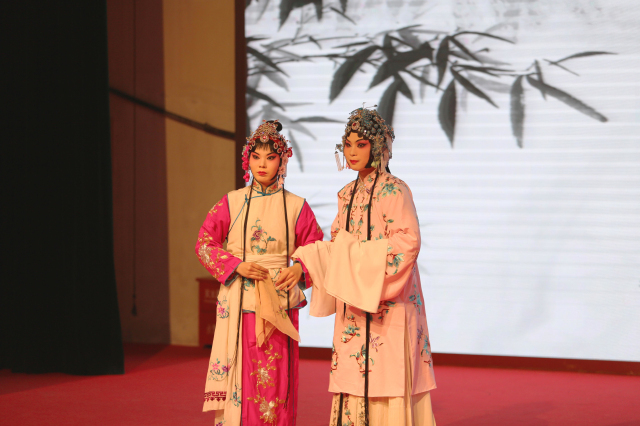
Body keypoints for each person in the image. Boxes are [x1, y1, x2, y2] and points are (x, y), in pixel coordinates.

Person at [286, 107, 437, 425]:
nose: (352, 152)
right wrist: (305, 264)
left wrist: (361, 264)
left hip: (389, 300)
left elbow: (407, 242)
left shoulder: (394, 189)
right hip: (353, 304)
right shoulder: (346, 194)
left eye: (361, 144)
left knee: (389, 373)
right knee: (352, 375)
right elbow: (338, 247)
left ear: (378, 146)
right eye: (348, 144)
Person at [195, 120, 324, 426]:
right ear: (247, 160)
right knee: (240, 374)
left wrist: (299, 267)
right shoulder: (232, 201)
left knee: (275, 378)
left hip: (277, 299)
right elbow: (204, 243)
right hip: (238, 299)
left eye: (270, 157)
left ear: (283, 160)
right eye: (256, 157)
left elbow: (317, 247)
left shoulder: (296, 206)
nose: (262, 164)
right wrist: (236, 265)